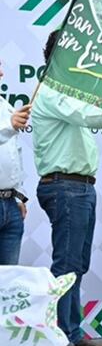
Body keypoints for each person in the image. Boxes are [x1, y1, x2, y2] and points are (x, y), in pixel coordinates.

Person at [33, 84, 102, 346]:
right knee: (67, 264)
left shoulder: (67, 94)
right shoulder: (52, 92)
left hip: (79, 187)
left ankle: (71, 332)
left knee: (77, 263)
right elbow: (87, 115)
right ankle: (59, 339)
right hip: (65, 186)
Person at [0, 58, 30, 265]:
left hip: (10, 205)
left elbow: (15, 154)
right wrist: (8, 127)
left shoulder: (6, 107)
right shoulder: (9, 116)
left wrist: (19, 197)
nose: (1, 73)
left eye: (1, 67)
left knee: (7, 285)